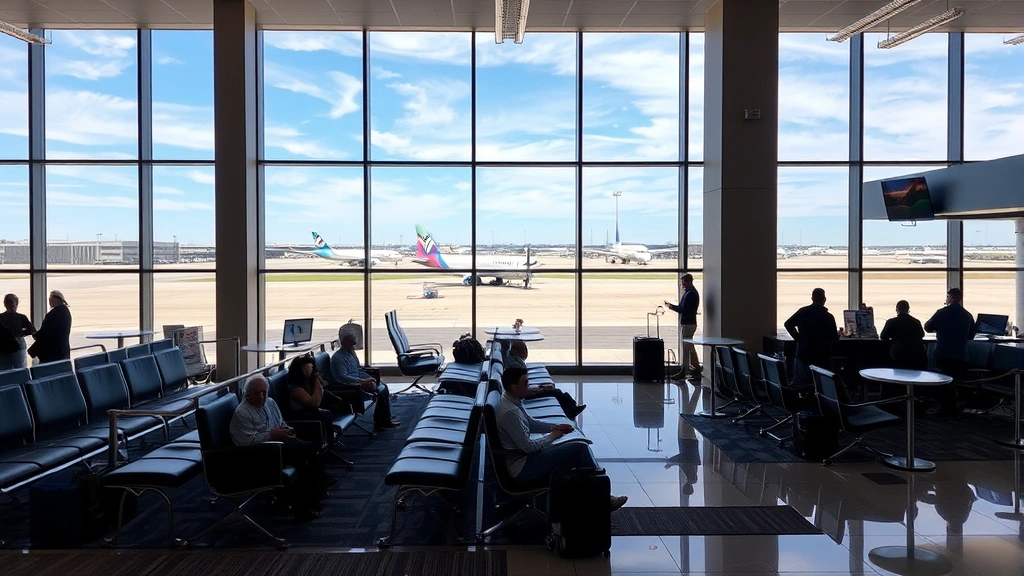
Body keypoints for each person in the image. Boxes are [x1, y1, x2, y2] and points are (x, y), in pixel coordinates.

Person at [496, 366, 628, 511]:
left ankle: (592, 501)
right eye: (525, 383)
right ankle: (602, 498)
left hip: (526, 459)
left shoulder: (512, 401)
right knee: (580, 449)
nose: (528, 386)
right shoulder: (510, 413)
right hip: (523, 467)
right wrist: (552, 436)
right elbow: (527, 446)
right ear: (514, 387)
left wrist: (554, 427)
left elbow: (530, 423)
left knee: (577, 459)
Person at [229, 375, 329, 521]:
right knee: (306, 453)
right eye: (257, 393)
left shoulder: (270, 403)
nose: (262, 397)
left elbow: (281, 422)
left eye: (264, 392)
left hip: (278, 444)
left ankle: (311, 499)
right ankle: (309, 501)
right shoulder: (242, 413)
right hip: (259, 453)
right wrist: (271, 434)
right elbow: (246, 442)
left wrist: (286, 430)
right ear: (248, 394)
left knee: (310, 451)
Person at [329, 332, 400, 429]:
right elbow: (343, 377)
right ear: (344, 343)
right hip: (352, 387)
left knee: (383, 387)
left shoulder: (351, 353)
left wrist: (369, 379)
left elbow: (358, 369)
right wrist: (363, 381)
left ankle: (384, 418)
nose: (354, 345)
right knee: (382, 391)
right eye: (351, 342)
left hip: (358, 382)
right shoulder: (338, 358)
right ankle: (383, 421)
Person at [924, 288, 976, 415]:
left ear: (951, 298)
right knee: (954, 381)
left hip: (943, 353)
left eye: (947, 297)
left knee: (942, 380)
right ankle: (951, 408)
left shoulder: (941, 313)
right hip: (961, 355)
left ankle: (944, 409)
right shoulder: (967, 315)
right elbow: (971, 336)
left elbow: (928, 327)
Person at [505, 340, 586, 418]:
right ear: (520, 351)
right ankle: (571, 411)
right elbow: (522, 391)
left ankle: (572, 408)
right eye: (524, 350)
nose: (526, 352)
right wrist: (541, 389)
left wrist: (540, 387)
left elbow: (522, 386)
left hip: (528, 391)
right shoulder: (517, 367)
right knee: (557, 392)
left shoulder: (515, 360)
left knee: (558, 392)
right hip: (526, 396)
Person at [287, 354, 350, 444]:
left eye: (310, 366)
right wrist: (317, 382)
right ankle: (329, 440)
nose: (310, 368)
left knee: (330, 398)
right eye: (307, 367)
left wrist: (318, 381)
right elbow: (314, 403)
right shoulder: (296, 388)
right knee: (325, 413)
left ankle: (345, 408)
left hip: (311, 411)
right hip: (302, 415)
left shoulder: (308, 381)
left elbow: (324, 388)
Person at [783, 288, 840, 389]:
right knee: (822, 385)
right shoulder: (828, 317)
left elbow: (788, 324)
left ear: (812, 298)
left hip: (804, 353)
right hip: (822, 356)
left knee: (801, 384)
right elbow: (834, 338)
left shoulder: (803, 312)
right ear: (824, 299)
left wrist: (798, 338)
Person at [665, 273, 701, 381]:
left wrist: (671, 307)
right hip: (689, 323)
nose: (682, 284)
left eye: (683, 282)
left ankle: (686, 370)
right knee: (689, 348)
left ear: (687, 282)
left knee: (687, 348)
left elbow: (683, 309)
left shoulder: (690, 294)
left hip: (688, 323)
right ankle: (694, 369)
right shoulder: (690, 293)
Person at [28, 290, 72, 363]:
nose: (49, 300)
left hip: (52, 353)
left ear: (57, 299)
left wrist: (35, 335)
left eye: (50, 298)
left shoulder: (54, 314)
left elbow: (46, 332)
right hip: (63, 351)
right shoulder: (65, 311)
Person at [880, 300, 927, 370]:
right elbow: (922, 334)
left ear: (896, 310)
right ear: (908, 310)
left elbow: (883, 337)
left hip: (898, 354)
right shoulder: (916, 322)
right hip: (916, 354)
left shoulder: (892, 322)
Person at [0, 293, 36, 370]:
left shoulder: (1, 318)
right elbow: (32, 330)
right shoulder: (21, 317)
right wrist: (20, 332)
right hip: (19, 347)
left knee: (4, 373)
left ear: (5, 304)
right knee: (21, 371)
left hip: (4, 348)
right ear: (16, 304)